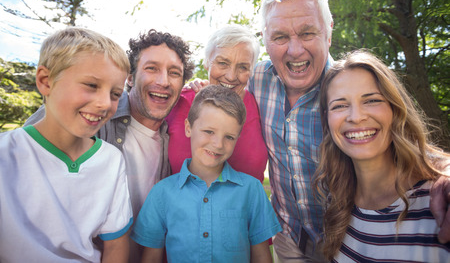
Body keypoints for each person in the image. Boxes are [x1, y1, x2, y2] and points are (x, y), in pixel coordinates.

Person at [246, 0, 450, 262]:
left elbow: (397, 135)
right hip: (289, 236)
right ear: (264, 38)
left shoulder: (347, 88)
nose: (294, 50)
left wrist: (446, 171)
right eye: (280, 37)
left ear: (328, 33)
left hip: (347, 236)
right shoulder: (257, 79)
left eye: (307, 33)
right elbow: (218, 95)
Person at [24, 29, 195, 262]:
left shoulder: (174, 139)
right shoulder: (91, 113)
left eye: (174, 73)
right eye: (151, 68)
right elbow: (25, 155)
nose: (163, 81)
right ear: (130, 78)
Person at [0, 27, 133, 262]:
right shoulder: (6, 153)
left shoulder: (111, 159)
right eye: (91, 85)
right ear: (45, 81)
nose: (104, 104)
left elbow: (115, 245)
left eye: (115, 94)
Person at [314, 50, 450, 261]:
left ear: (394, 109)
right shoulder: (336, 202)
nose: (356, 117)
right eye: (339, 105)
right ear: (327, 120)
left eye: (371, 101)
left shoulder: (439, 205)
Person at [131, 85, 281, 263]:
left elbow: (261, 256)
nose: (218, 144)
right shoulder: (161, 193)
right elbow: (151, 257)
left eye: (229, 137)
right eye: (209, 132)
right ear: (188, 128)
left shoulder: (252, 191)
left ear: (238, 138)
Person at [166, 24, 268, 182]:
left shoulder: (260, 105)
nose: (231, 76)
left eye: (242, 67)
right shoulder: (179, 102)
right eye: (222, 63)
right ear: (207, 62)